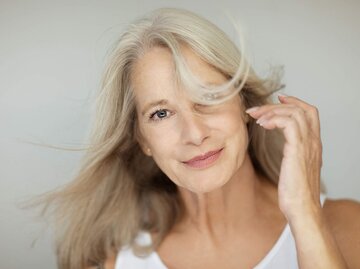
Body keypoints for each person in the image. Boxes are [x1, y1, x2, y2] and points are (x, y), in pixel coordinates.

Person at [39, 7, 360, 269]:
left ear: (245, 104)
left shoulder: (348, 227)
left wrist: (304, 215)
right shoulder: (107, 258)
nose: (193, 134)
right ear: (143, 140)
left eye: (208, 97)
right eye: (161, 114)